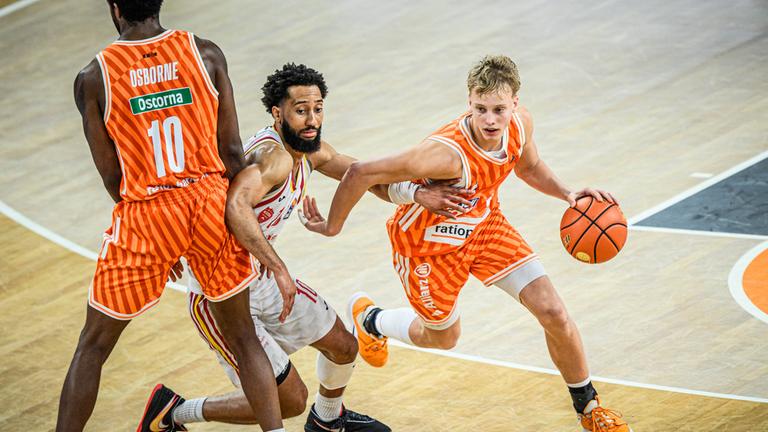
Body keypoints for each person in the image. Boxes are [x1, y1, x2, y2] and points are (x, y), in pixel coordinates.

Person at [301, 55, 632, 432]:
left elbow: (528, 167)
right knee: (443, 338)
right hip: (428, 247)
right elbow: (362, 172)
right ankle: (371, 320)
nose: (490, 120)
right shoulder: (444, 154)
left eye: (499, 109)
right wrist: (334, 225)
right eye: (480, 109)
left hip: (485, 227)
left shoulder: (520, 125)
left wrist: (567, 193)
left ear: (515, 104)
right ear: (469, 102)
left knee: (553, 311)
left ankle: (589, 408)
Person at [141, 63, 463, 431]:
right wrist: (277, 267)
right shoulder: (273, 157)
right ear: (278, 114)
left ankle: (327, 419)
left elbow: (365, 176)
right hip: (220, 294)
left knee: (344, 346)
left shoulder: (311, 151)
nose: (312, 120)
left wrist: (416, 193)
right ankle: (173, 413)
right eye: (300, 110)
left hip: (263, 281)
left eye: (317, 108)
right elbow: (233, 205)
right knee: (289, 401)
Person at [56, 1, 284, 431]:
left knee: (93, 346)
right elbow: (231, 152)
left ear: (115, 8)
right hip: (210, 203)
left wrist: (162, 236)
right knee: (243, 337)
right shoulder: (206, 53)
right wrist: (228, 220)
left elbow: (111, 176)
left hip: (147, 214)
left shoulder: (94, 77)